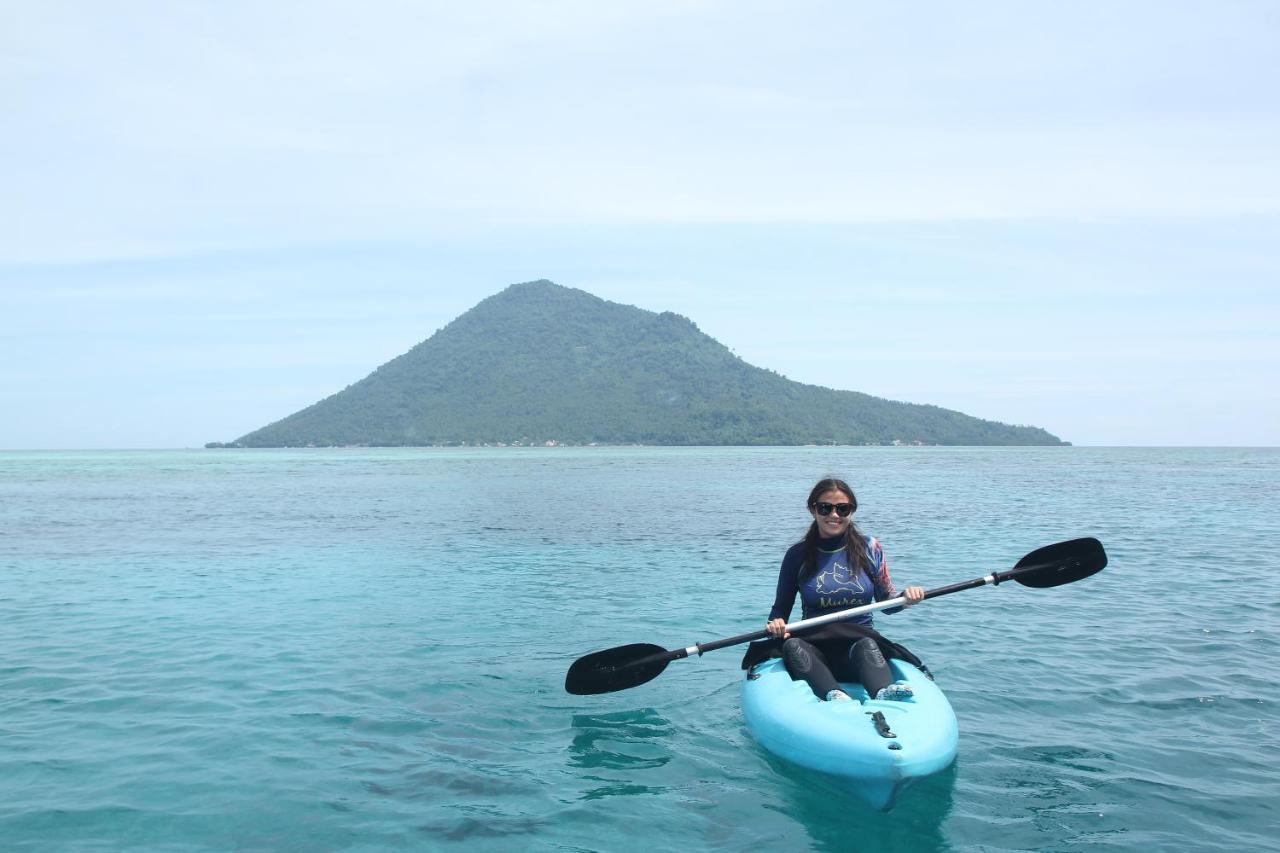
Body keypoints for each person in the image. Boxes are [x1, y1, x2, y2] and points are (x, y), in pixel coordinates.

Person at [765, 477, 925, 702]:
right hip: (814, 647)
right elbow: (780, 609)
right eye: (825, 508)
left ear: (852, 511)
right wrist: (777, 624)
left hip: (858, 645)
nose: (834, 515)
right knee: (792, 645)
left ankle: (883, 693)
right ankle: (835, 695)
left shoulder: (870, 548)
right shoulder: (796, 555)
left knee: (866, 645)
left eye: (843, 509)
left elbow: (887, 603)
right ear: (813, 510)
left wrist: (906, 599)